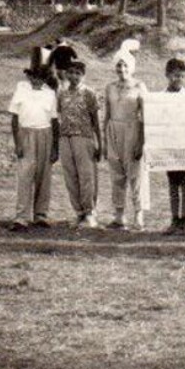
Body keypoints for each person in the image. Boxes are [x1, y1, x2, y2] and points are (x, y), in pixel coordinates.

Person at [8, 65, 59, 231]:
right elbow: (15, 118)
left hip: (45, 134)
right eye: (33, 76)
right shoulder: (21, 90)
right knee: (25, 175)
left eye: (40, 77)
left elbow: (54, 121)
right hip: (26, 134)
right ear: (29, 77)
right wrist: (18, 143)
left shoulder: (50, 94)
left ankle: (40, 214)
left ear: (45, 79)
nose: (36, 80)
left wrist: (54, 148)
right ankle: (21, 217)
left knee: (43, 175)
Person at [105, 39, 148, 230]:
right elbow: (106, 114)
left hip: (133, 131)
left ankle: (138, 215)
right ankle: (119, 215)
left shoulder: (140, 86)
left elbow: (146, 117)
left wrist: (141, 142)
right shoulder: (110, 87)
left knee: (135, 175)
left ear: (131, 67)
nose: (121, 69)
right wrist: (106, 140)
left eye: (124, 65)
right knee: (117, 174)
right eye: (118, 65)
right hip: (114, 130)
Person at [58, 60, 102, 228]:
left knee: (86, 176)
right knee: (71, 176)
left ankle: (90, 212)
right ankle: (79, 212)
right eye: (71, 72)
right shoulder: (62, 94)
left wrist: (99, 143)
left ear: (83, 75)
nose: (74, 76)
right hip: (65, 138)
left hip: (84, 138)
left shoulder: (89, 93)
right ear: (66, 74)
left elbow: (96, 121)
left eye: (78, 73)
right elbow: (59, 116)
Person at [162, 58, 185, 235]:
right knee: (173, 183)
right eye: (175, 76)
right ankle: (174, 219)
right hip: (168, 145)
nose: (178, 79)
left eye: (182, 76)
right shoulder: (160, 98)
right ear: (167, 75)